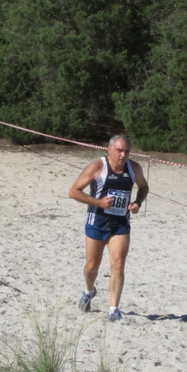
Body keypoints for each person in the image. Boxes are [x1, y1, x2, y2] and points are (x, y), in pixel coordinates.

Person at [68, 135, 148, 321]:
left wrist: (137, 203)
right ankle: (89, 290)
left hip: (120, 224)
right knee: (92, 266)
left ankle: (113, 309)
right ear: (109, 149)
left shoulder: (134, 168)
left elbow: (144, 187)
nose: (123, 154)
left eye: (127, 151)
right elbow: (73, 192)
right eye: (119, 150)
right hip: (97, 221)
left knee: (118, 264)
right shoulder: (98, 166)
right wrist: (98, 202)